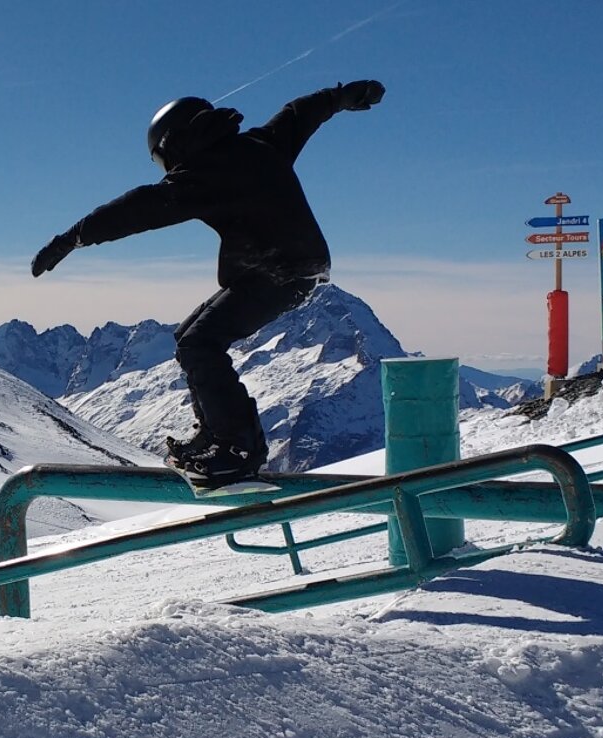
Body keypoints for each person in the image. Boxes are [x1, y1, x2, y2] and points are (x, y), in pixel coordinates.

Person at [30, 79, 386, 486]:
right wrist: (343, 96)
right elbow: (300, 112)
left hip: (277, 271)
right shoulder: (262, 143)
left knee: (201, 343)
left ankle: (236, 448)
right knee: (191, 336)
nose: (168, 171)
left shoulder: (204, 174)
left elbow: (139, 208)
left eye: (163, 159)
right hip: (297, 267)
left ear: (175, 143)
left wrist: (72, 237)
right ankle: (217, 435)